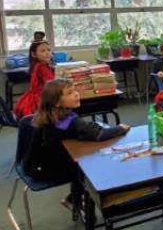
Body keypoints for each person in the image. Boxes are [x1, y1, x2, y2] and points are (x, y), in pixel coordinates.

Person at [22, 78, 130, 207]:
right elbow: (99, 135)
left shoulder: (48, 115)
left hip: (32, 164)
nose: (76, 94)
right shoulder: (70, 122)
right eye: (69, 93)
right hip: (46, 171)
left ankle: (73, 198)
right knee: (89, 165)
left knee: (82, 160)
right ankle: (77, 200)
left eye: (75, 90)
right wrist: (121, 128)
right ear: (57, 102)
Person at [14, 40, 55, 119]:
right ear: (34, 54)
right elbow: (52, 84)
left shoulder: (36, 65)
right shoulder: (41, 67)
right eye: (43, 51)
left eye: (48, 50)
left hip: (31, 98)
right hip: (39, 100)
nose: (47, 53)